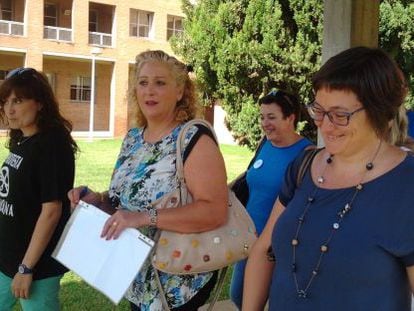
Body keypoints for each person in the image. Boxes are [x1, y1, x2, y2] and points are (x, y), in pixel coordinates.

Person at [242, 46, 414, 311]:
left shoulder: (405, 184)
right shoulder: (304, 165)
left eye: (340, 115)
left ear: (379, 111)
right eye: (319, 111)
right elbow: (265, 249)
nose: (324, 124)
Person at [68, 50, 228, 311]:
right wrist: (96, 200)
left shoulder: (193, 139)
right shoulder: (133, 138)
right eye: (143, 82)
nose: (149, 90)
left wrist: (143, 217)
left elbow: (214, 210)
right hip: (138, 277)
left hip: (180, 281)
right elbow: (122, 200)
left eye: (160, 83)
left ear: (179, 92)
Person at [0, 68, 78, 310]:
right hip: (7, 259)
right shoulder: (23, 140)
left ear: (40, 103)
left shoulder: (51, 144)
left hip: (35, 267)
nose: (9, 109)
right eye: (6, 102)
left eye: (18, 101)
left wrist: (26, 268)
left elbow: (51, 211)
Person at [229, 89, 313, 308]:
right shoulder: (265, 145)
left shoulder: (307, 154)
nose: (265, 123)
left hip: (277, 247)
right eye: (262, 117)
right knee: (239, 296)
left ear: (291, 118)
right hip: (248, 238)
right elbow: (250, 178)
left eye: (272, 117)